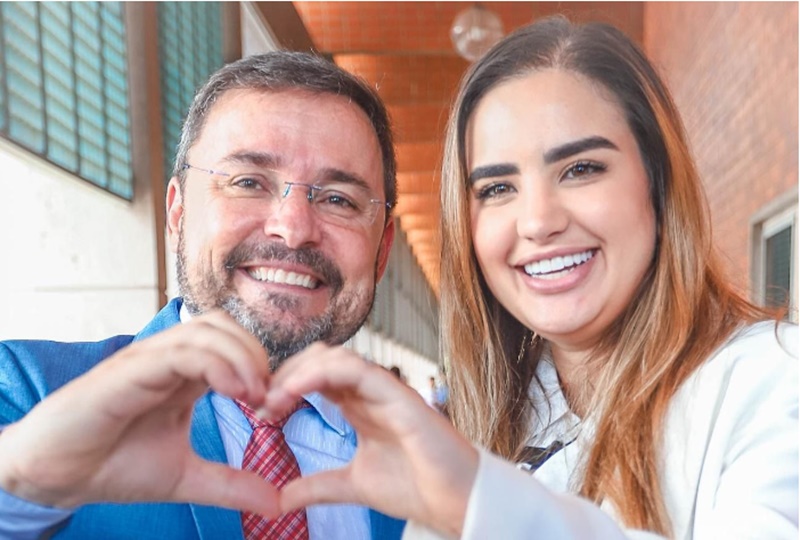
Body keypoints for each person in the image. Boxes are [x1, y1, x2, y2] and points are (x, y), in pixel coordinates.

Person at [257, 17, 798, 540]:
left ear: (657, 185)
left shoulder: (773, 384)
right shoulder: (490, 426)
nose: (538, 221)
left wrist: (480, 504)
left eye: (581, 169)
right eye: (496, 189)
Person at [0, 52, 406, 539]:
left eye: (339, 199)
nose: (293, 229)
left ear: (382, 250)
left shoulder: (431, 465)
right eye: (249, 182)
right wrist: (22, 483)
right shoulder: (26, 393)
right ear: (177, 215)